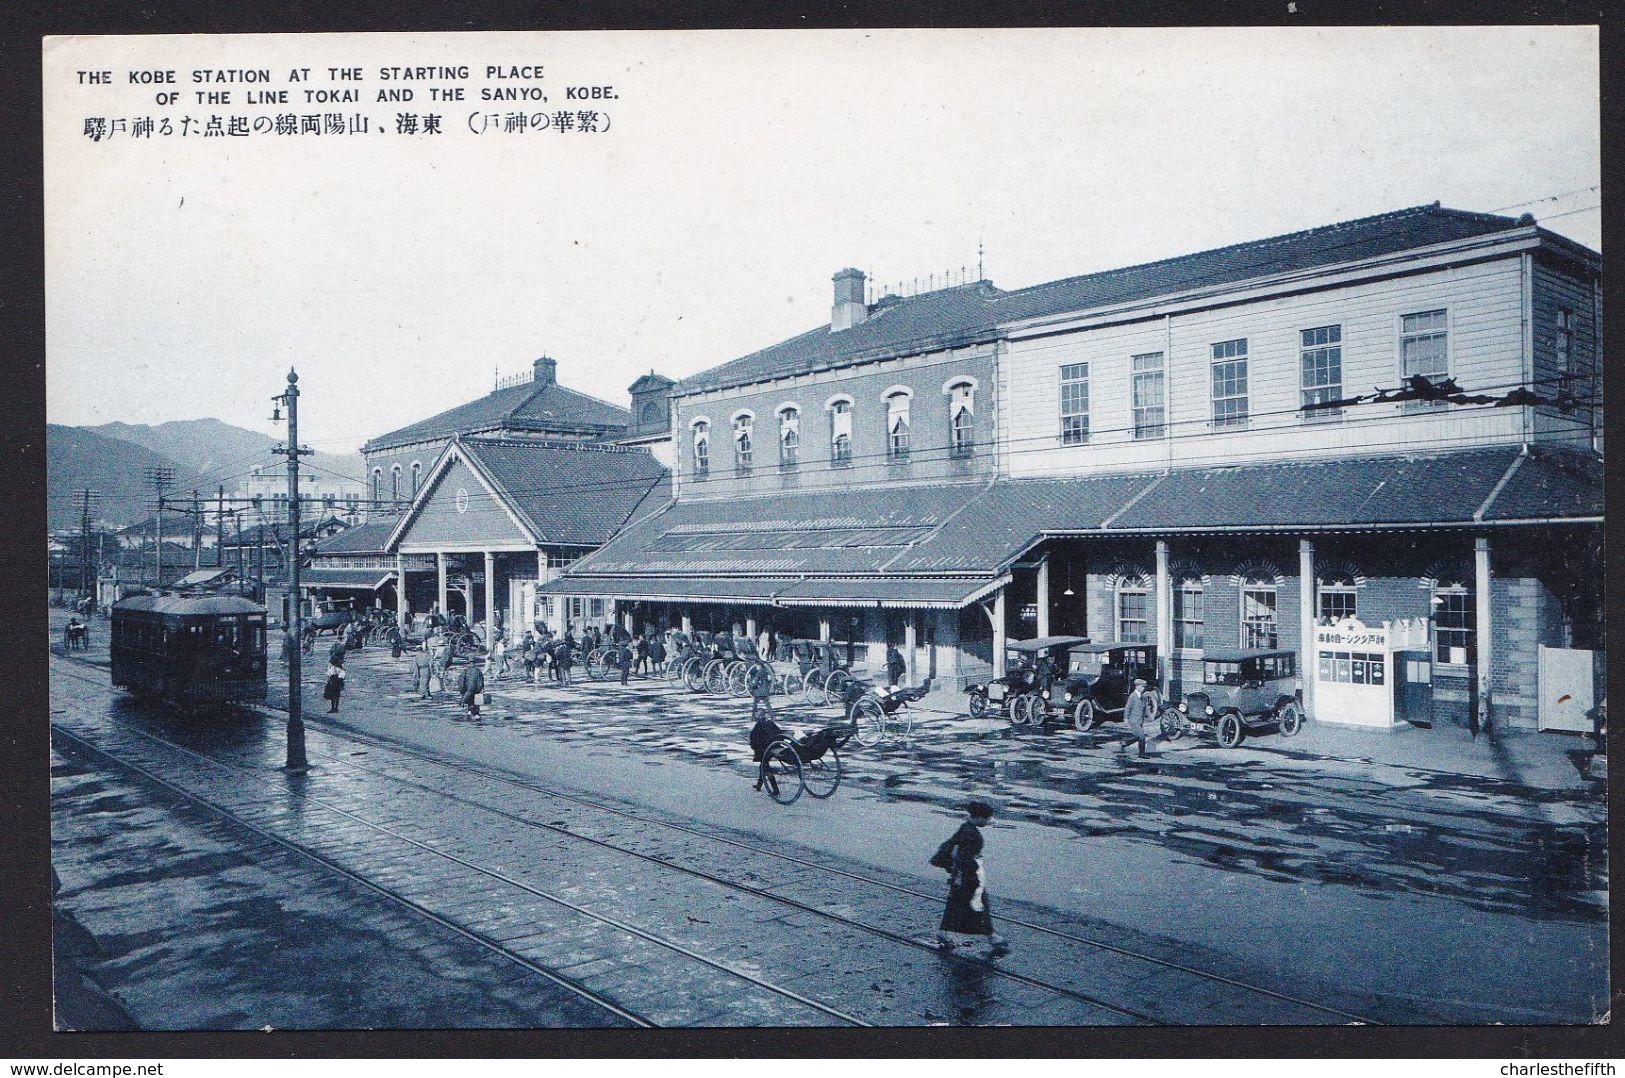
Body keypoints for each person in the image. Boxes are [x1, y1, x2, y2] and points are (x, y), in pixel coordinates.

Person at [932, 801, 1010, 958]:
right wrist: (975, 864)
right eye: (986, 818)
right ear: (979, 817)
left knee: (955, 903)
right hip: (968, 877)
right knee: (981, 903)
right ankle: (992, 937)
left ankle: (943, 932)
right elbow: (964, 858)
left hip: (959, 876)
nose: (988, 821)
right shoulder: (973, 835)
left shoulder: (965, 828)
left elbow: (953, 849)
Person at [749, 710, 790, 794]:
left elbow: (753, 737)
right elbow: (779, 733)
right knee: (763, 764)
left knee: (765, 766)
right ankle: (759, 785)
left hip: (765, 749)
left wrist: (753, 744)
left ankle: (775, 789)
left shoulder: (759, 724)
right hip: (775, 747)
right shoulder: (771, 723)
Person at [1124, 677, 1161, 756]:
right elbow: (1127, 708)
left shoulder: (1143, 697)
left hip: (1140, 721)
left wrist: (1150, 715)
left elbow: (1146, 708)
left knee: (1138, 736)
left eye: (1144, 687)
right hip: (1133, 720)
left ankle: (1125, 742)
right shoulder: (1132, 696)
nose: (1143, 688)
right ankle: (1142, 754)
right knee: (1142, 736)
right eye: (1142, 686)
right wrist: (1126, 718)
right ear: (1137, 686)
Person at [323, 649, 347, 714]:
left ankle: (334, 708)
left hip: (333, 681)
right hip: (338, 681)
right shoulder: (341, 667)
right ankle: (335, 708)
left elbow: (329, 673)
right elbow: (342, 675)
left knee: (333, 695)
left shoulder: (333, 667)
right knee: (336, 695)